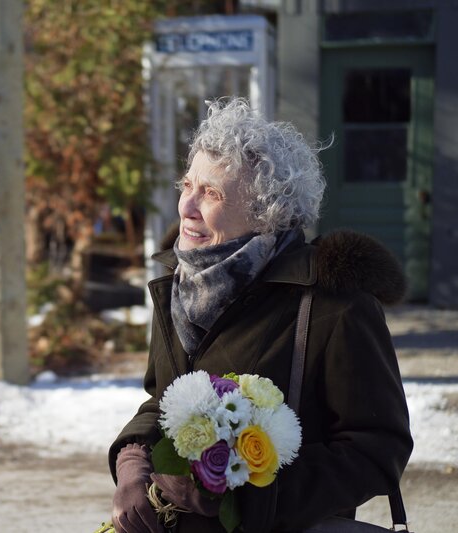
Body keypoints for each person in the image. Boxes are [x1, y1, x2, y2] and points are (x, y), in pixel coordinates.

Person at [109, 98, 413, 533]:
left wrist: (240, 495)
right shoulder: (177, 286)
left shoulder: (334, 304)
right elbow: (162, 400)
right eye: (187, 184)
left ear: (266, 211)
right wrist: (133, 463)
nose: (186, 207)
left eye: (211, 193)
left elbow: (377, 450)